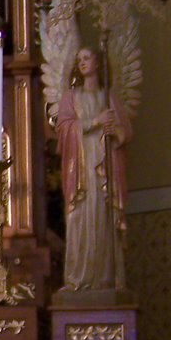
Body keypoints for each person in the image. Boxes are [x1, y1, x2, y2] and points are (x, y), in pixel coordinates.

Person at [56, 46, 131, 292]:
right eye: (79, 59)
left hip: (104, 172)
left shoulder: (108, 97)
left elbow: (126, 133)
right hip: (80, 170)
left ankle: (107, 278)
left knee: (104, 219)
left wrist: (115, 132)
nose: (82, 63)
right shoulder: (71, 97)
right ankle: (79, 278)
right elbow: (63, 130)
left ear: (98, 63)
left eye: (87, 58)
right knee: (79, 220)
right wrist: (94, 122)